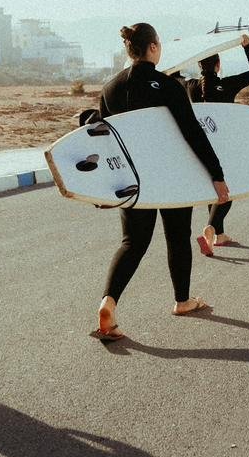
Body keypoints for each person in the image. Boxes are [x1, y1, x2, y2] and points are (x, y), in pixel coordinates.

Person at [95, 23, 230, 339]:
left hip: (134, 179)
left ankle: (108, 303)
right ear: (153, 48)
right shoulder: (167, 86)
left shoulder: (110, 88)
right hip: (171, 175)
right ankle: (182, 301)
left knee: (132, 243)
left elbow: (105, 138)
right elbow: (192, 132)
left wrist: (104, 186)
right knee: (178, 236)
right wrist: (217, 175)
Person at [187, 32, 249, 254]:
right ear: (218, 65)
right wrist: (247, 47)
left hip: (200, 147)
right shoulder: (227, 85)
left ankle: (219, 236)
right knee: (226, 191)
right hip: (224, 146)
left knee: (214, 188)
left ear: (199, 65)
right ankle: (210, 228)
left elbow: (172, 75)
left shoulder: (190, 86)